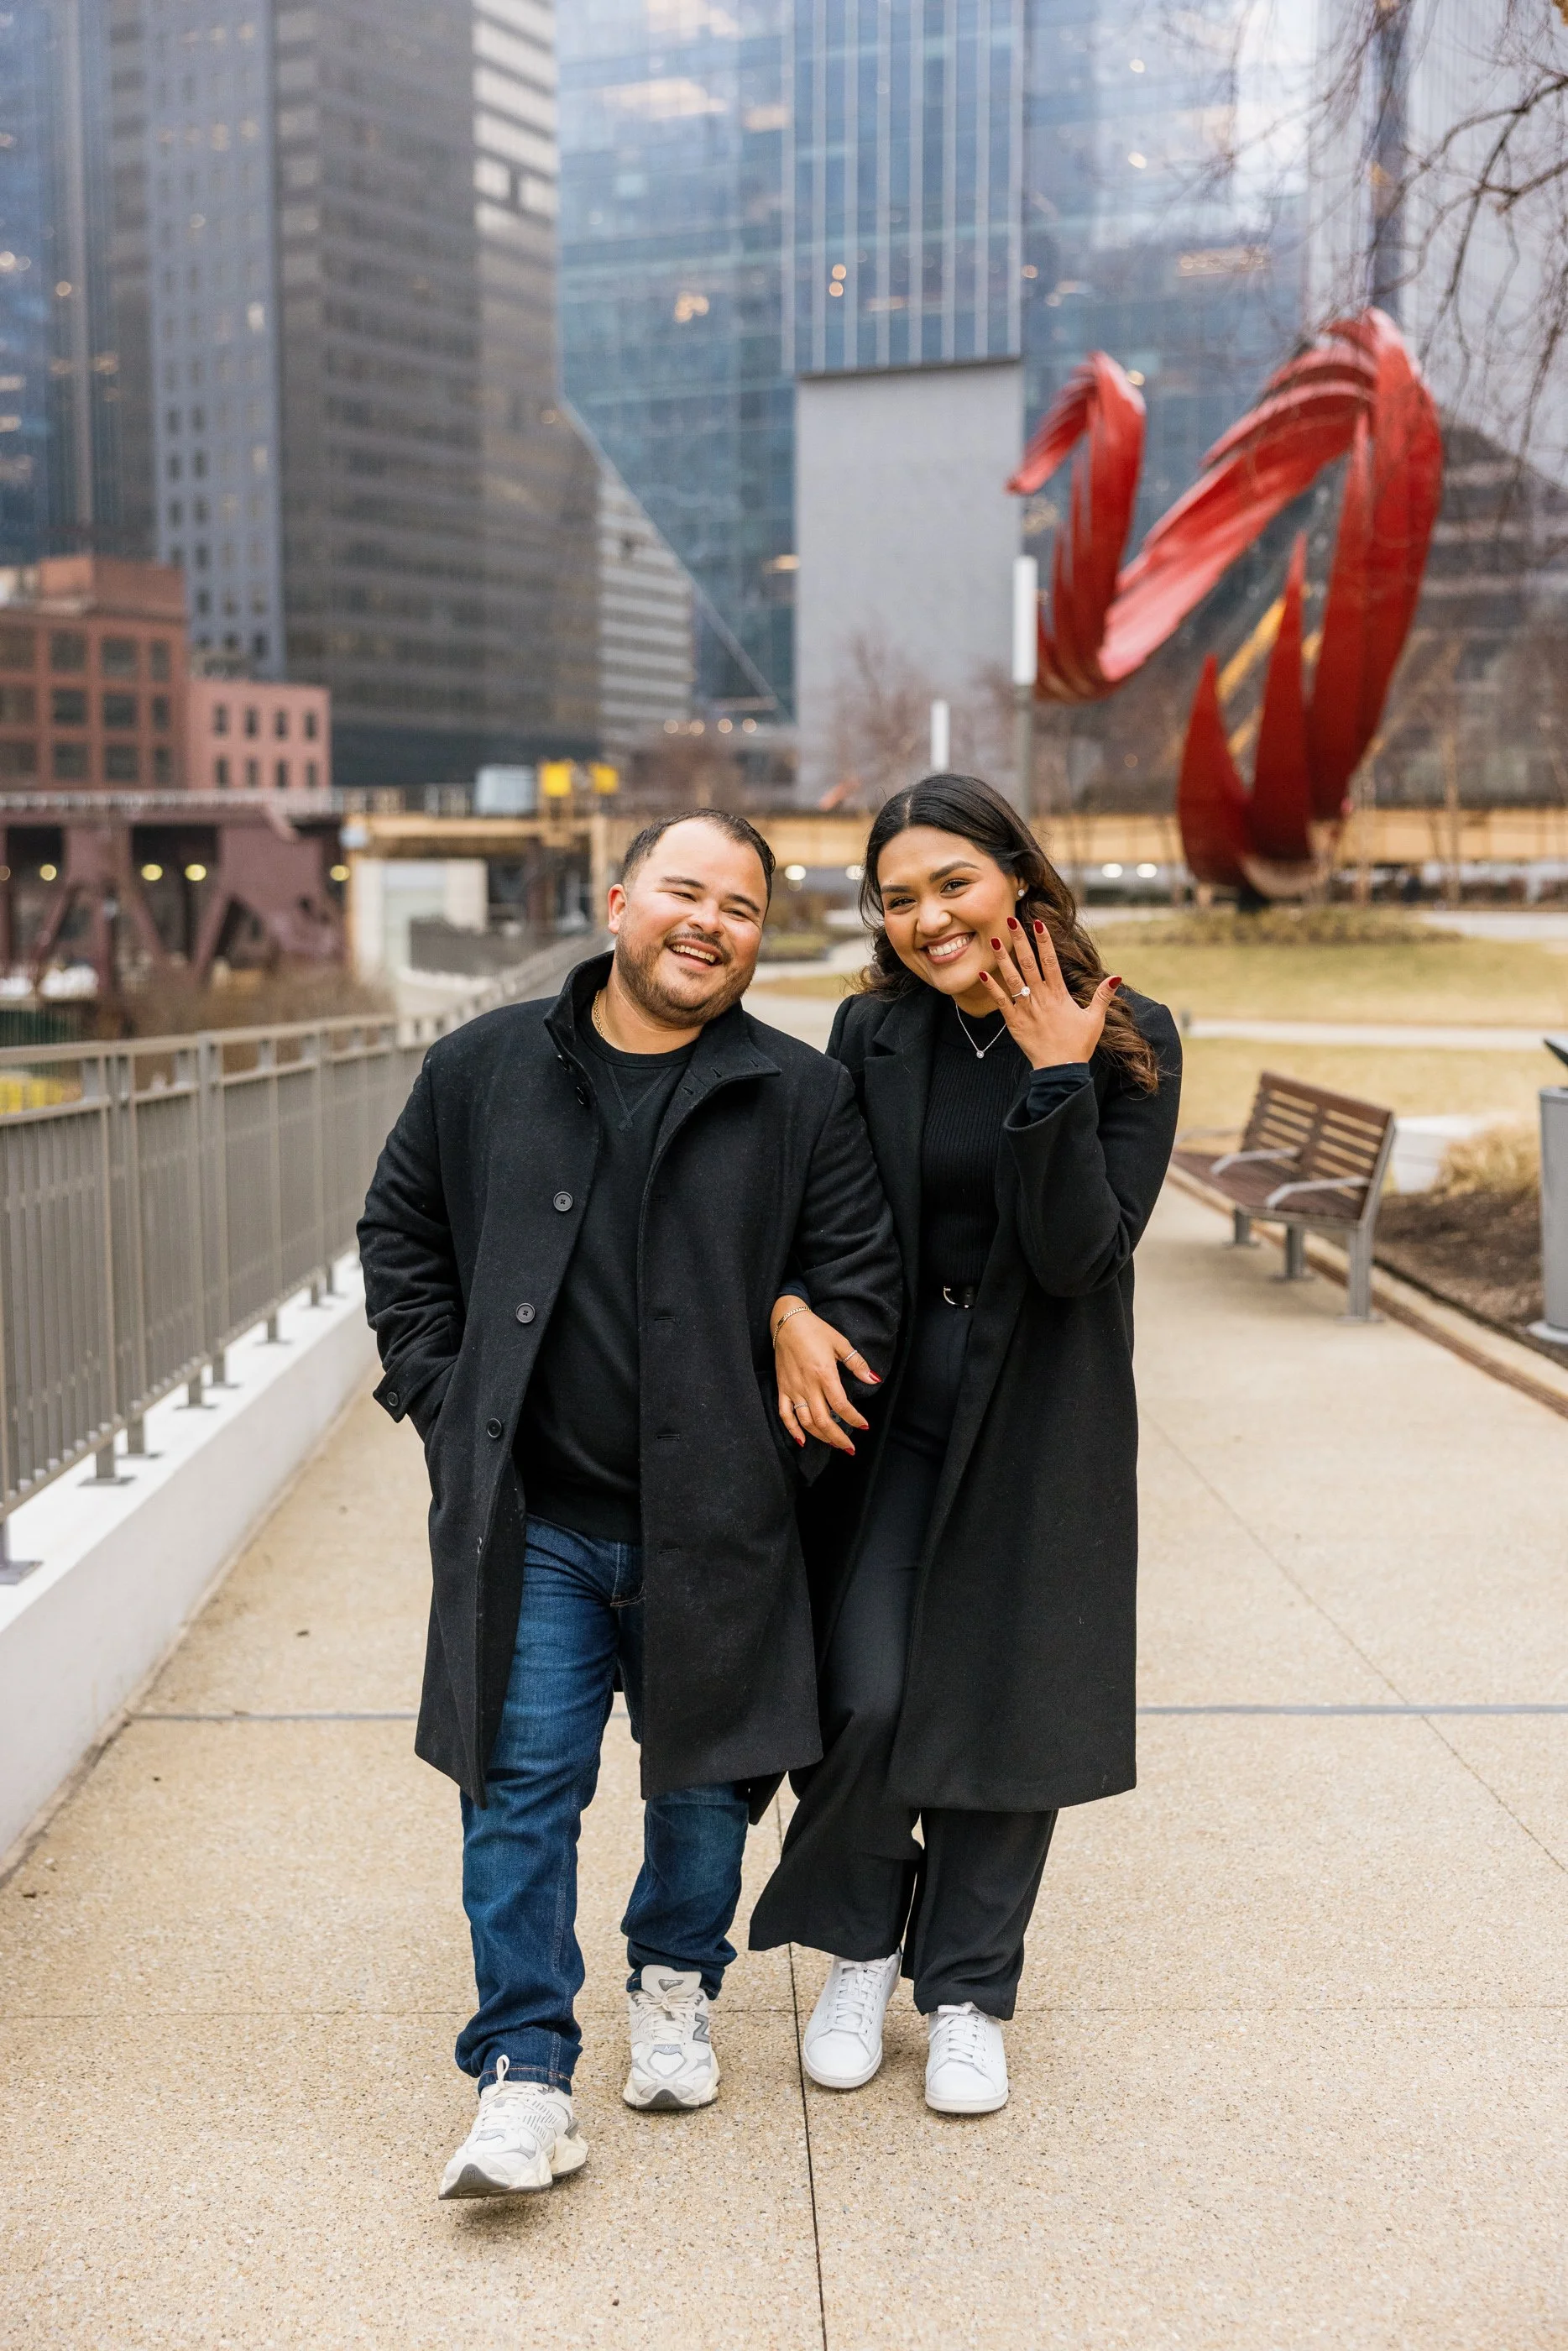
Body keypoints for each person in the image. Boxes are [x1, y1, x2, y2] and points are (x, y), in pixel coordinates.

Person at [358, 809, 901, 2198]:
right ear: (619, 900)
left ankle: (675, 1981)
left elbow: (860, 1281)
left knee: (706, 1783)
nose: (709, 922)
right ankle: (525, 2072)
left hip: (717, 1521)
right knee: (519, 1786)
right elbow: (400, 1231)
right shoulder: (483, 1067)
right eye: (684, 890)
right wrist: (439, 1390)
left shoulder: (799, 1095)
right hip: (532, 1517)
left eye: (742, 907)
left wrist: (795, 1326)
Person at [748, 773, 1181, 2115]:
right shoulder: (872, 1032)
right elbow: (814, 1210)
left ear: (1016, 876)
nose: (929, 919)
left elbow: (1079, 1256)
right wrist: (783, 1307)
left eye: (953, 883)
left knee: (1004, 1698)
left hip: (1038, 1404)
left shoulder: (1128, 1038)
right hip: (887, 1404)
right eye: (899, 898)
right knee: (864, 1690)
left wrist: (1056, 1079)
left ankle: (973, 1990)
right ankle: (867, 1946)